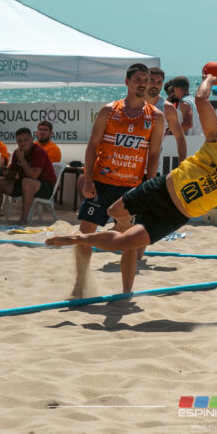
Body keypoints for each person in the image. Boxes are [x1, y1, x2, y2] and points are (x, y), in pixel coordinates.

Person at [46, 72, 217, 265]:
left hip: (177, 214)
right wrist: (210, 79)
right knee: (114, 213)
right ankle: (104, 234)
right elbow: (201, 100)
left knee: (126, 242)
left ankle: (77, 239)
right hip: (162, 188)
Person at [69, 63, 164, 297]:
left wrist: (148, 188)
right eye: (138, 79)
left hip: (131, 186)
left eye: (147, 80)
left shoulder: (156, 117)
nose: (143, 83)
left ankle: (126, 292)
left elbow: (153, 155)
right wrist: (88, 180)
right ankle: (80, 285)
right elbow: (92, 146)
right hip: (102, 182)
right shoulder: (109, 111)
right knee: (85, 234)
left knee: (128, 240)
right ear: (127, 82)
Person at [0, 127, 57, 224]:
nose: (22, 143)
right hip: (25, 184)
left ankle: (23, 219)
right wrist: (7, 173)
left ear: (32, 139)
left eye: (26, 140)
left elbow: (33, 176)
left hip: (45, 187)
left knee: (27, 182)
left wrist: (22, 160)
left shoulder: (39, 152)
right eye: (19, 141)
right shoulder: (17, 152)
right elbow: (13, 174)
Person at [148, 67, 187, 164]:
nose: (155, 85)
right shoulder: (135, 104)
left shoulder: (167, 108)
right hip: (131, 166)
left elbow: (180, 138)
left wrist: (182, 166)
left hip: (154, 167)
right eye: (152, 80)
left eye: (159, 82)